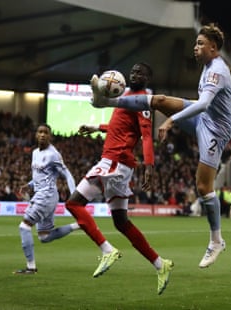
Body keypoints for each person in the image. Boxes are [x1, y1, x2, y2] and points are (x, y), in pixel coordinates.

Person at [90, 23, 231, 269]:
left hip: (215, 130)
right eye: (196, 43)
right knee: (159, 100)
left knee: (203, 186)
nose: (195, 47)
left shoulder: (216, 71)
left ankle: (216, 240)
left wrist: (170, 121)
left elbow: (202, 104)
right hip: (204, 118)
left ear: (213, 47)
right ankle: (108, 101)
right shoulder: (208, 66)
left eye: (200, 44)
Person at [65, 62, 174, 295]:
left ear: (147, 79)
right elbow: (119, 126)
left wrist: (149, 165)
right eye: (133, 71)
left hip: (115, 161)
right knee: (121, 222)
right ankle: (160, 264)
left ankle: (107, 250)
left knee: (74, 203)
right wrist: (96, 126)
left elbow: (146, 136)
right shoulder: (127, 97)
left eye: (141, 73)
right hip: (119, 163)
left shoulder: (143, 100)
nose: (135, 74)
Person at [14, 123, 79, 274]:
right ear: (36, 135)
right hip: (42, 194)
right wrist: (29, 184)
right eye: (40, 132)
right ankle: (78, 225)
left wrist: (74, 194)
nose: (42, 135)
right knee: (44, 236)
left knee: (24, 226)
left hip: (47, 195)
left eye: (46, 133)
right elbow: (40, 176)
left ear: (50, 136)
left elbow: (67, 174)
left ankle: (31, 268)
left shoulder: (53, 154)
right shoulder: (35, 152)